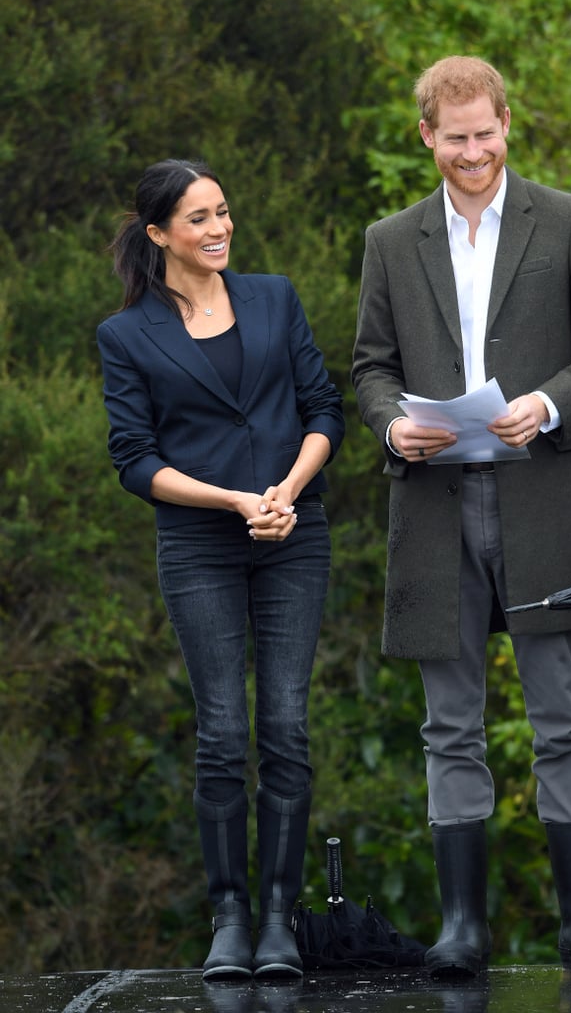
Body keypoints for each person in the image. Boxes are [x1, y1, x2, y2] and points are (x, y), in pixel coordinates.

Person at [351, 56, 571, 978]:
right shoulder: (390, 240)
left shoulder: (569, 219)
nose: (472, 151)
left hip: (548, 492)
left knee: (561, 714)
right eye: (455, 137)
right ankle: (463, 930)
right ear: (427, 137)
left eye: (486, 133)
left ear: (507, 125)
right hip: (438, 503)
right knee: (451, 724)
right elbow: (369, 367)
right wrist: (395, 424)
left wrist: (550, 403)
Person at [96, 159, 345, 981]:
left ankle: (279, 914)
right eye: (198, 219)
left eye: (224, 213)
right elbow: (135, 462)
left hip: (293, 533)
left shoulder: (274, 296)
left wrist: (286, 492)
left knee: (285, 727)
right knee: (222, 736)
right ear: (159, 233)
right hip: (200, 544)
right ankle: (230, 916)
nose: (218, 230)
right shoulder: (127, 334)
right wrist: (234, 500)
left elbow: (323, 408)